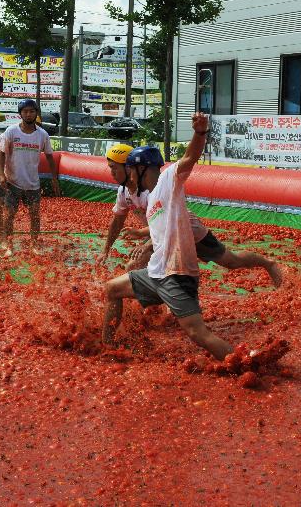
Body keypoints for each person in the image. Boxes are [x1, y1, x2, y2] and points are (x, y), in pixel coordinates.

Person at [102, 113, 239, 360]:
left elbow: (189, 159)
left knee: (198, 334)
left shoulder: (167, 180)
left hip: (176, 275)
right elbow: (160, 229)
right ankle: (107, 345)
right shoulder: (150, 196)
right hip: (156, 273)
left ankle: (246, 359)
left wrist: (199, 133)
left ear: (141, 168)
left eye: (130, 170)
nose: (128, 175)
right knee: (112, 289)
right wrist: (144, 239)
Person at [96, 144, 282, 286]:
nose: (111, 172)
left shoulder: (152, 189)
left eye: (115, 168)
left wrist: (146, 239)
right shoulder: (123, 192)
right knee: (138, 266)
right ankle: (158, 309)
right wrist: (106, 249)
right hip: (161, 236)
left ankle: (267, 263)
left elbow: (170, 221)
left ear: (130, 168)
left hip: (187, 229)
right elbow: (118, 220)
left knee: (231, 261)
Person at [0, 98, 61, 256]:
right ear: (20, 114)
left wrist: (54, 179)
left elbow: (50, 158)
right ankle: (9, 244)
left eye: (32, 111)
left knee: (34, 214)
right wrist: (1, 175)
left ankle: (34, 244)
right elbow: (1, 153)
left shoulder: (42, 135)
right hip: (13, 181)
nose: (28, 114)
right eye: (25, 111)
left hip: (33, 183)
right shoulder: (11, 131)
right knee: (10, 213)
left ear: (36, 113)